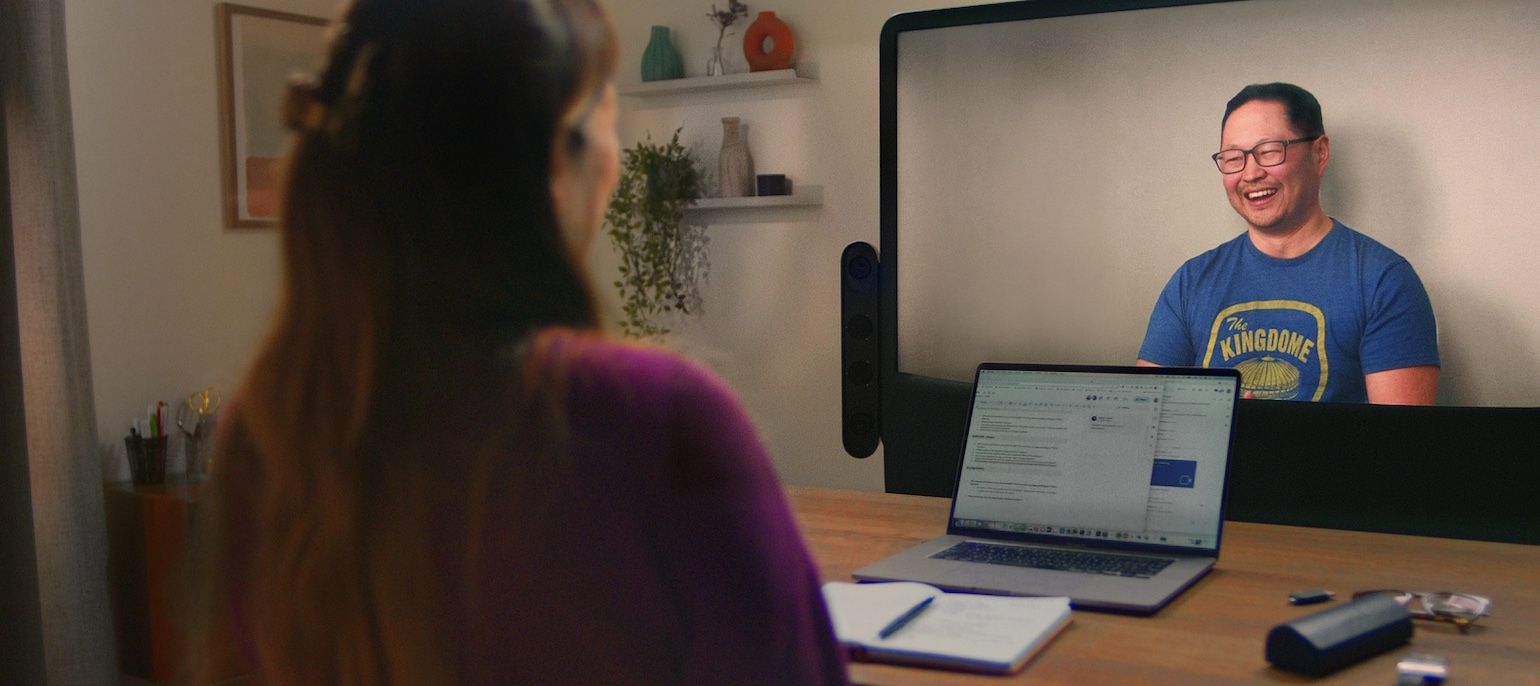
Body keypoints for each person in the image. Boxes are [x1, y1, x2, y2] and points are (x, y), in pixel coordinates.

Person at [184, 1, 849, 684]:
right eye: (605, 122)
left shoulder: (268, 435)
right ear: (553, 164)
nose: (616, 167)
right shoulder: (656, 426)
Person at [1137, 83, 1439, 404]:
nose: (1250, 173)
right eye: (1233, 158)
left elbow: (1399, 445)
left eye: (1268, 151)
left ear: (1319, 153)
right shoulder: (1191, 282)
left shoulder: (1384, 280)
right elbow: (1144, 417)